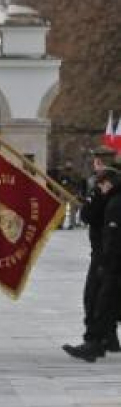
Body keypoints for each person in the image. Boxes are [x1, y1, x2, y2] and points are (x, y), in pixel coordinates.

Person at [64, 168, 121, 362]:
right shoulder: (108, 199)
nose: (98, 187)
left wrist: (106, 263)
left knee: (99, 301)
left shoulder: (115, 202)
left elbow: (113, 237)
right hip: (107, 258)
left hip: (109, 260)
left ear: (108, 183)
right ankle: (104, 339)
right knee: (104, 302)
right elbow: (89, 217)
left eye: (101, 183)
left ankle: (95, 342)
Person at [75, 146, 120, 354]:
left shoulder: (104, 184)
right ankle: (108, 338)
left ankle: (94, 341)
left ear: (99, 162)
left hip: (106, 250)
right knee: (108, 296)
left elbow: (88, 215)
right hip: (109, 248)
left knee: (95, 296)